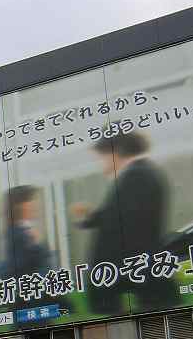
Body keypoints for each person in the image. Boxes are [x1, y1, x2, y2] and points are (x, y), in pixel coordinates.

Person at [70, 130, 177, 315]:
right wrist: (90, 216)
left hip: (140, 278)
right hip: (141, 278)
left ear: (115, 152)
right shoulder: (140, 173)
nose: (100, 164)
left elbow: (125, 229)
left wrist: (104, 281)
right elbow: (120, 216)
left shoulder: (136, 176)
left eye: (101, 157)